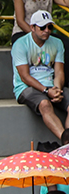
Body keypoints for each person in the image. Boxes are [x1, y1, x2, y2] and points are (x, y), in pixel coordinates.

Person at [13, 11, 69, 144]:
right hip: (26, 87)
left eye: (50, 27)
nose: (47, 31)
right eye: (42, 27)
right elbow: (25, 76)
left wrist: (57, 89)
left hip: (51, 85)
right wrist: (46, 91)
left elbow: (59, 71)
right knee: (45, 104)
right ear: (32, 27)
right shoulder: (20, 44)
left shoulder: (57, 43)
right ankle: (66, 143)